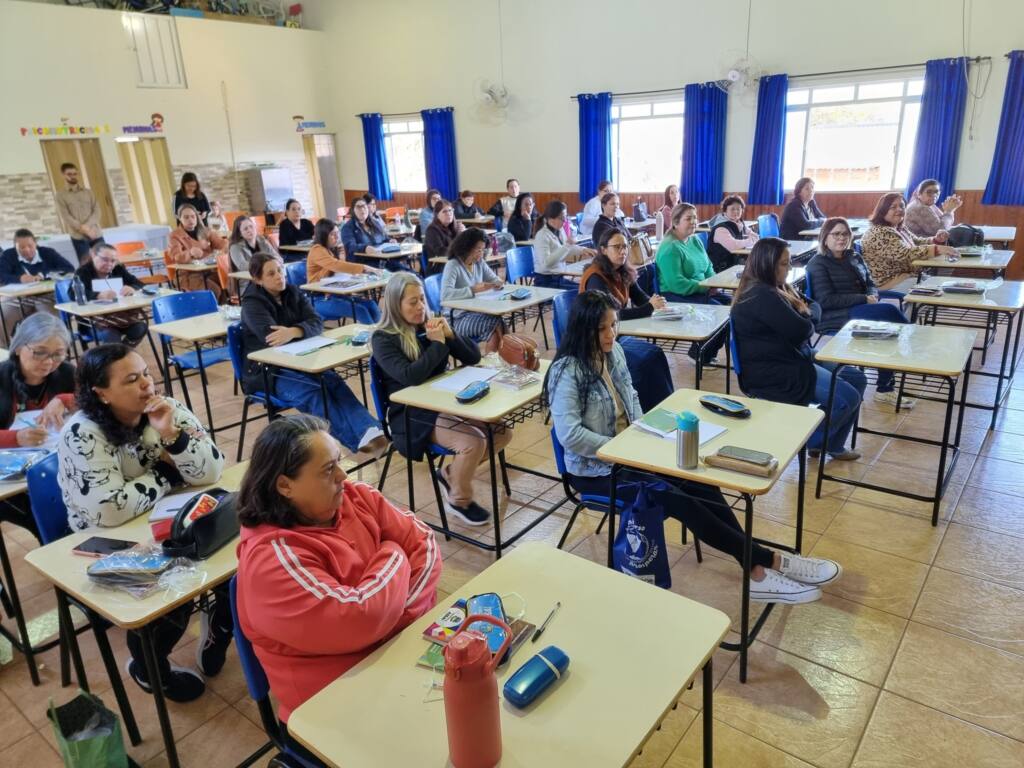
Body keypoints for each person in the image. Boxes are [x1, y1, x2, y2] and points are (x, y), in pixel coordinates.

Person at [545, 290, 841, 604]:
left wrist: (643, 433)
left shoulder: (613, 352)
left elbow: (630, 396)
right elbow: (570, 435)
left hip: (630, 453)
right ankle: (769, 562)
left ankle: (756, 568)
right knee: (675, 497)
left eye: (614, 325)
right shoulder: (567, 371)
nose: (611, 334)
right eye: (602, 328)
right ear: (583, 329)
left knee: (699, 482)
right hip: (596, 470)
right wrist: (623, 446)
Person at [235, 414, 441, 726]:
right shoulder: (271, 561)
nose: (343, 476)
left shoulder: (354, 497)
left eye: (339, 462)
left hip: (395, 659)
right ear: (284, 485)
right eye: (328, 470)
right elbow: (360, 617)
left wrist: (390, 615)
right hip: (334, 704)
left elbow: (425, 543)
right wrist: (393, 551)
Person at [57, 343, 232, 702]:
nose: (147, 386)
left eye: (147, 374)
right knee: (174, 588)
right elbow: (109, 509)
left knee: (242, 558)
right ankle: (148, 665)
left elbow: (213, 469)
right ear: (101, 393)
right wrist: (168, 473)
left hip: (168, 518)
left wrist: (173, 436)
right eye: (132, 380)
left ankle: (221, 628)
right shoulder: (82, 433)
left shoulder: (167, 410)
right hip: (106, 540)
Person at [371, 272, 512, 526]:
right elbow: (410, 376)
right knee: (473, 441)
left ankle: (450, 475)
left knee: (501, 432)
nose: (421, 307)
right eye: (412, 302)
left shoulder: (429, 326)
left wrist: (450, 335)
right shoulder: (383, 338)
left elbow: (473, 357)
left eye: (422, 299)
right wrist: (438, 345)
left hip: (443, 401)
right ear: (395, 304)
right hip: (412, 414)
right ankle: (459, 499)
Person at [731, 237, 866, 461]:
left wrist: (806, 314)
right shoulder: (760, 294)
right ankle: (803, 444)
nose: (790, 267)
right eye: (785, 263)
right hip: (775, 368)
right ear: (767, 264)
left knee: (858, 380)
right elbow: (803, 330)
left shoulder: (778, 286)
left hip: (794, 355)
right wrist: (806, 315)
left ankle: (830, 443)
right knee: (847, 399)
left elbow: (813, 306)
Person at [240, 252, 387, 457]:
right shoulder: (251, 303)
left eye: (280, 270)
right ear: (257, 279)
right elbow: (271, 337)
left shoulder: (291, 292)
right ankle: (357, 439)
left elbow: (316, 321)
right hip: (267, 371)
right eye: (271, 273)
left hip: (300, 359)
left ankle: (372, 430)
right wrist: (300, 329)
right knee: (313, 391)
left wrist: (293, 331)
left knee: (333, 380)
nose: (279, 276)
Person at [806, 217, 916, 410]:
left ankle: (885, 388)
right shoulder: (818, 263)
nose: (841, 238)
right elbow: (825, 301)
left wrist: (871, 295)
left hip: (859, 309)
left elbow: (870, 284)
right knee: (889, 313)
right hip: (834, 315)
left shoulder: (853, 256)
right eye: (836, 234)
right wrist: (863, 299)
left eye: (845, 234)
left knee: (888, 331)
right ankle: (912, 346)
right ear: (825, 237)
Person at [581, 228, 673, 411]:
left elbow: (639, 297)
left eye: (625, 247)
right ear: (603, 250)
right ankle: (643, 411)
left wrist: (655, 302)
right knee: (643, 362)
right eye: (617, 247)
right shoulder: (595, 277)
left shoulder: (622, 271)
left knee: (656, 354)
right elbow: (612, 315)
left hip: (616, 334)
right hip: (595, 340)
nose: (623, 251)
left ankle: (665, 406)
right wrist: (649, 307)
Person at [653, 203, 730, 364]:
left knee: (733, 306)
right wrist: (706, 287)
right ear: (675, 222)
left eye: (695, 217)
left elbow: (708, 266)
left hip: (700, 289)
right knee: (721, 313)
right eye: (688, 218)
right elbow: (677, 283)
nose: (694, 221)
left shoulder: (695, 240)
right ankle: (700, 354)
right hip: (676, 294)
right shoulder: (670, 248)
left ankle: (706, 350)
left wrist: (713, 283)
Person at [0, 313, 75, 449]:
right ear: (18, 347)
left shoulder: (67, 373)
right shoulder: (2, 377)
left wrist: (65, 400)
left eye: (58, 354)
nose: (49, 362)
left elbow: (98, 403)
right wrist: (16, 438)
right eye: (39, 352)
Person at [860, 193, 957, 287]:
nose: (899, 209)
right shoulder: (879, 232)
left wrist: (936, 240)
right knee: (940, 289)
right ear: (883, 211)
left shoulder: (899, 227)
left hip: (906, 277)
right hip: (889, 282)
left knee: (944, 285)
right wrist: (936, 249)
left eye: (902, 206)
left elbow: (916, 242)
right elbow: (905, 254)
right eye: (893, 207)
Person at [0, 229, 76, 341]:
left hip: (47, 295)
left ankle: (58, 347)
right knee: (2, 318)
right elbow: (2, 276)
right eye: (21, 247)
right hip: (19, 297)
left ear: (35, 243)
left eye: (30, 246)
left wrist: (44, 275)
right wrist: (19, 278)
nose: (27, 250)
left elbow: (69, 269)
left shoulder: (47, 252)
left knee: (48, 323)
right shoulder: (8, 255)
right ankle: (5, 351)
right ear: (15, 246)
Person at [306, 218, 382, 323]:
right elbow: (336, 265)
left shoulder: (330, 249)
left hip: (334, 294)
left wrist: (341, 255)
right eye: (333, 234)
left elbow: (338, 270)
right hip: (319, 299)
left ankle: (382, 334)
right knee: (361, 310)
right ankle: (375, 336)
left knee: (371, 304)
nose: (337, 237)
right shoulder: (317, 250)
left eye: (337, 233)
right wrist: (365, 268)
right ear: (323, 235)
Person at [440, 228, 505, 351]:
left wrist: (498, 283)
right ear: (466, 247)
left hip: (475, 312)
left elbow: (494, 279)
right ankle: (499, 362)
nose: (481, 254)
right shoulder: (453, 265)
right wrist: (472, 290)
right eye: (478, 250)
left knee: (498, 322)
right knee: (495, 324)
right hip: (456, 319)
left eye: (483, 249)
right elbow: (445, 295)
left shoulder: (478, 262)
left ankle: (497, 363)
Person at [73, 243, 149, 346]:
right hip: (94, 323)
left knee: (140, 327)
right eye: (105, 259)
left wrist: (132, 288)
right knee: (111, 335)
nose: (109, 264)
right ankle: (117, 357)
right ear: (93, 256)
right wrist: (97, 295)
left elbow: (139, 284)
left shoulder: (118, 269)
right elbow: (72, 293)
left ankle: (122, 353)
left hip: (121, 319)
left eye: (113, 260)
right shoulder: (83, 272)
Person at [168, 203, 227, 300]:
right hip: (189, 275)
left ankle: (224, 312)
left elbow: (221, 244)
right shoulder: (175, 235)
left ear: (197, 217)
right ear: (180, 219)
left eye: (192, 216)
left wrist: (229, 244)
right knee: (213, 291)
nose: (190, 220)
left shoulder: (205, 231)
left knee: (228, 285)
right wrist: (190, 252)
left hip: (209, 271)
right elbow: (176, 257)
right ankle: (210, 313)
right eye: (186, 217)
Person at [532, 201, 595, 288]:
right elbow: (546, 263)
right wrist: (567, 245)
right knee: (582, 291)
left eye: (565, 217)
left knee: (586, 287)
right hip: (546, 280)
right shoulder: (542, 235)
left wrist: (583, 250)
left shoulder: (559, 230)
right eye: (562, 218)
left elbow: (566, 250)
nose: (565, 221)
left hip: (559, 277)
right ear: (551, 219)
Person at [55, 162, 103, 263]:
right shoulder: (60, 196)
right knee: (86, 265)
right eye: (69, 174)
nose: (73, 176)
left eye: (74, 174)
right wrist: (84, 230)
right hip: (78, 236)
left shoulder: (88, 192)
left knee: (104, 261)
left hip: (95, 233)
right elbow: (66, 217)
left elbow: (97, 211)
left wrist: (88, 227)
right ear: (63, 175)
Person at [341, 196, 406, 271]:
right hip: (363, 263)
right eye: (358, 207)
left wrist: (389, 240)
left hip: (381, 258)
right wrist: (364, 248)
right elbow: (350, 246)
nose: (362, 209)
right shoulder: (348, 227)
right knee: (398, 269)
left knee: (402, 269)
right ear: (353, 210)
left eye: (364, 206)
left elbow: (384, 237)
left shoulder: (374, 223)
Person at [707, 195, 758, 273]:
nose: (736, 212)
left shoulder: (739, 223)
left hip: (735, 262)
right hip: (722, 267)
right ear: (725, 211)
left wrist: (751, 239)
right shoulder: (720, 228)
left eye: (738, 209)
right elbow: (733, 246)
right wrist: (750, 241)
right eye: (732, 209)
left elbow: (755, 236)